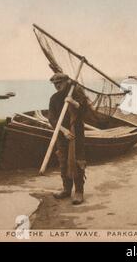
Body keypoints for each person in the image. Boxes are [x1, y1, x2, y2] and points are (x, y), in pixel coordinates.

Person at [48, 73, 88, 205]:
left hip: (77, 133)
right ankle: (66, 189)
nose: (57, 85)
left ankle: (79, 192)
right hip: (62, 134)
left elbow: (86, 111)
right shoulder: (54, 98)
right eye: (55, 84)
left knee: (78, 160)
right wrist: (63, 131)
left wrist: (74, 103)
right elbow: (52, 119)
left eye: (60, 83)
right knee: (63, 160)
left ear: (67, 82)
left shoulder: (76, 94)